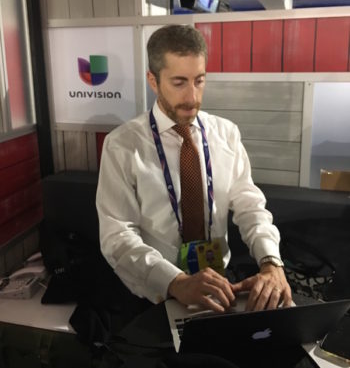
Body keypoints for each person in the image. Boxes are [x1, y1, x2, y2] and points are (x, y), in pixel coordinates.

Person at [96, 24, 292, 316]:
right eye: (179, 83)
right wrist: (174, 281)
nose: (192, 97)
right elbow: (117, 235)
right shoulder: (122, 146)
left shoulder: (226, 134)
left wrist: (271, 262)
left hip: (220, 286)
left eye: (199, 81)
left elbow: (250, 206)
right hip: (157, 293)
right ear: (153, 80)